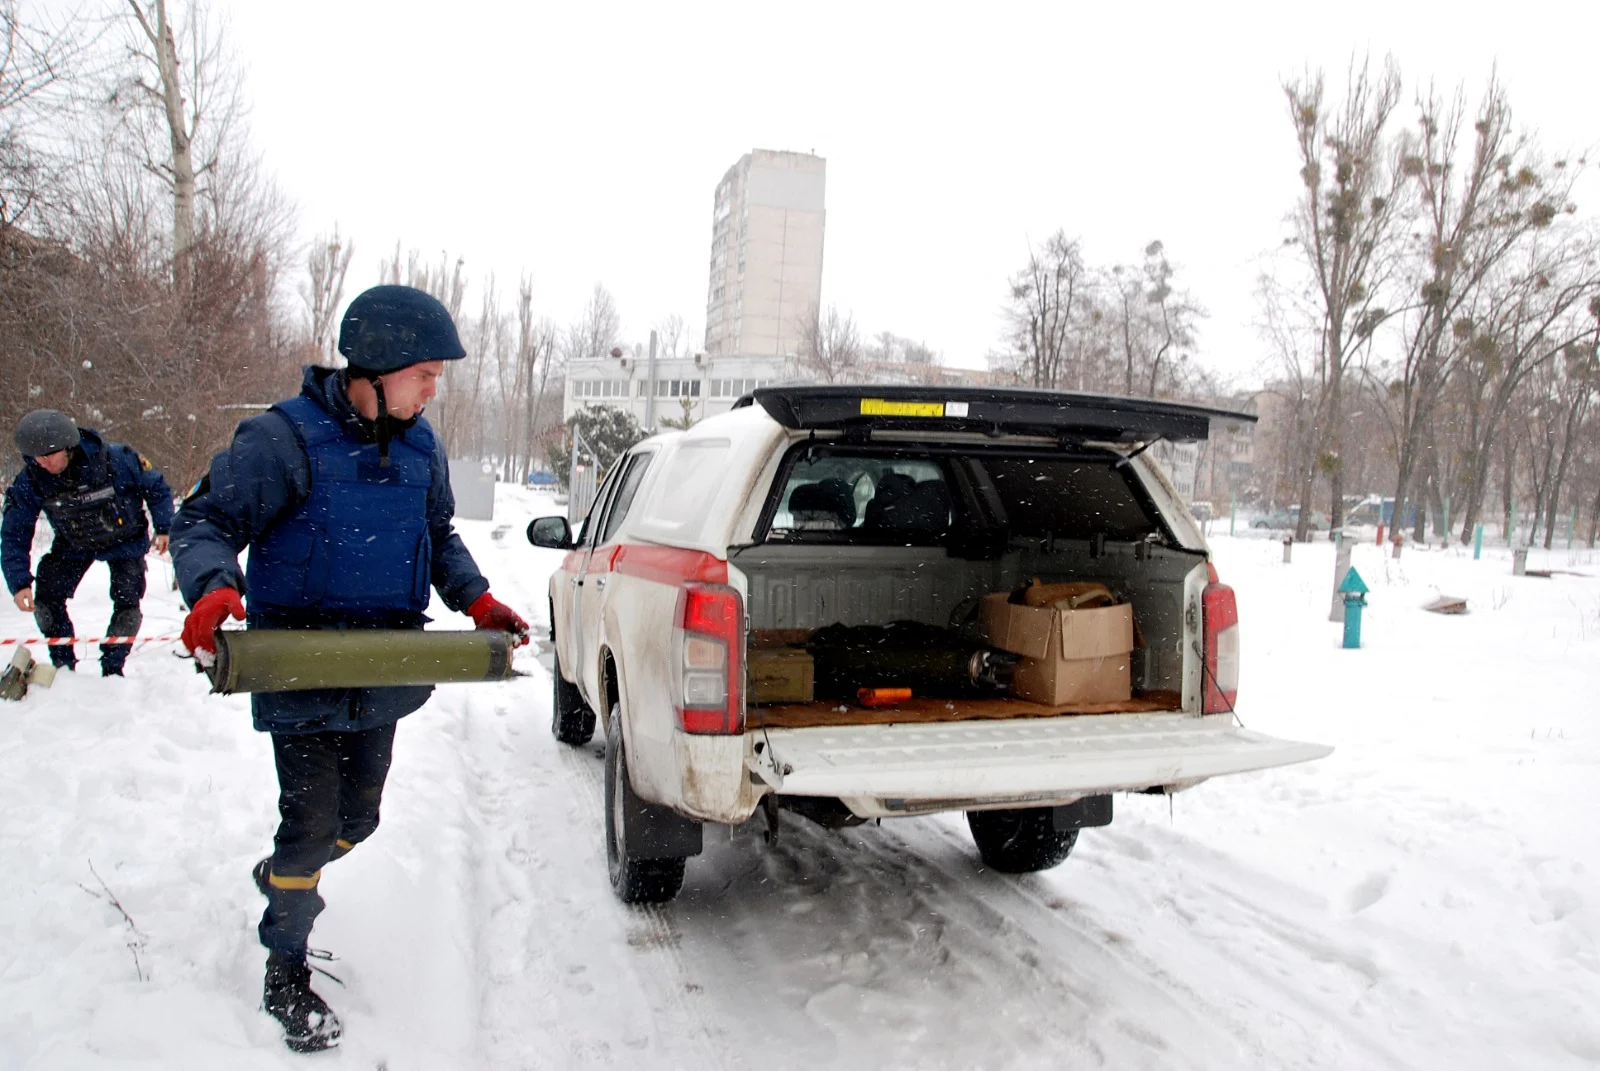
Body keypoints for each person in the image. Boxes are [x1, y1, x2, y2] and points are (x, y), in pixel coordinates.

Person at [169, 285, 530, 1054]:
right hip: (298, 667)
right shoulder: (285, 439)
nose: (434, 389)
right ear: (377, 367)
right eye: (426, 373)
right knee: (309, 828)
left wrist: (478, 599)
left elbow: (438, 536)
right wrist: (211, 587)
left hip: (385, 668)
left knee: (357, 822)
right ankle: (285, 964)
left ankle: (282, 878)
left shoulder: (422, 447)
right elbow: (204, 518)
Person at [1, 409, 174, 677]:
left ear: (67, 447)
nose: (43, 462)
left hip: (125, 541)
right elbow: (15, 531)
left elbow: (157, 488)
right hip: (74, 545)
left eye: (49, 455)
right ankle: (63, 667)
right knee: (46, 601)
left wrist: (164, 528)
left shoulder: (117, 459)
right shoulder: (32, 479)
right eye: (36, 457)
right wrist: (18, 581)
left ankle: (113, 668)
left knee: (128, 603)